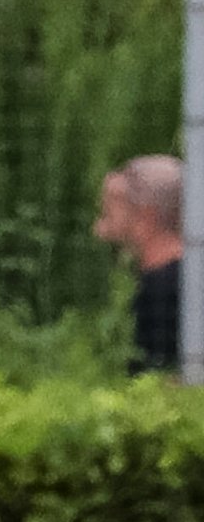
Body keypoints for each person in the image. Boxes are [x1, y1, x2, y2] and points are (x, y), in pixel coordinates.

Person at [93, 154, 183, 374]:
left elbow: (158, 373)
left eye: (111, 209)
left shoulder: (164, 288)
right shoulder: (177, 277)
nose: (99, 227)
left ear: (146, 216)